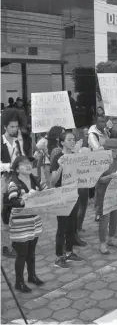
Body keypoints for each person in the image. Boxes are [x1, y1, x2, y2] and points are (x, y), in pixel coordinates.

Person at [5, 156, 46, 292]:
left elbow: (48, 193)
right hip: (20, 224)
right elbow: (13, 201)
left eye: (29, 163)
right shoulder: (13, 183)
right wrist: (25, 199)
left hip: (34, 221)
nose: (28, 166)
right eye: (23, 164)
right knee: (22, 254)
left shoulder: (37, 180)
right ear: (17, 169)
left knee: (32, 252)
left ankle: (32, 276)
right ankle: (19, 282)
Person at [1, 108, 32, 259]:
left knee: (13, 212)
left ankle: (14, 242)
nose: (15, 129)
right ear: (5, 126)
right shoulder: (1, 142)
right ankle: (6, 247)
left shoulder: (18, 143)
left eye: (16, 126)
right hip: (2, 182)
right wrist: (9, 166)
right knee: (4, 214)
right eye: (12, 126)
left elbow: (22, 159)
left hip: (14, 181)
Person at [50, 131, 84, 269]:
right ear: (62, 142)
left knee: (72, 226)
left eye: (73, 139)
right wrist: (61, 167)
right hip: (61, 196)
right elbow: (53, 181)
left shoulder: (75, 156)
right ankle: (59, 257)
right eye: (69, 139)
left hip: (74, 194)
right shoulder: (58, 157)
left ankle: (69, 253)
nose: (72, 141)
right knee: (62, 227)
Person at [96, 139, 117, 255]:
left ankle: (111, 238)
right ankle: (102, 243)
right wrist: (110, 176)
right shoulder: (100, 161)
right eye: (114, 151)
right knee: (104, 218)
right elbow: (97, 180)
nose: (116, 153)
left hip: (116, 192)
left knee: (115, 216)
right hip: (103, 193)